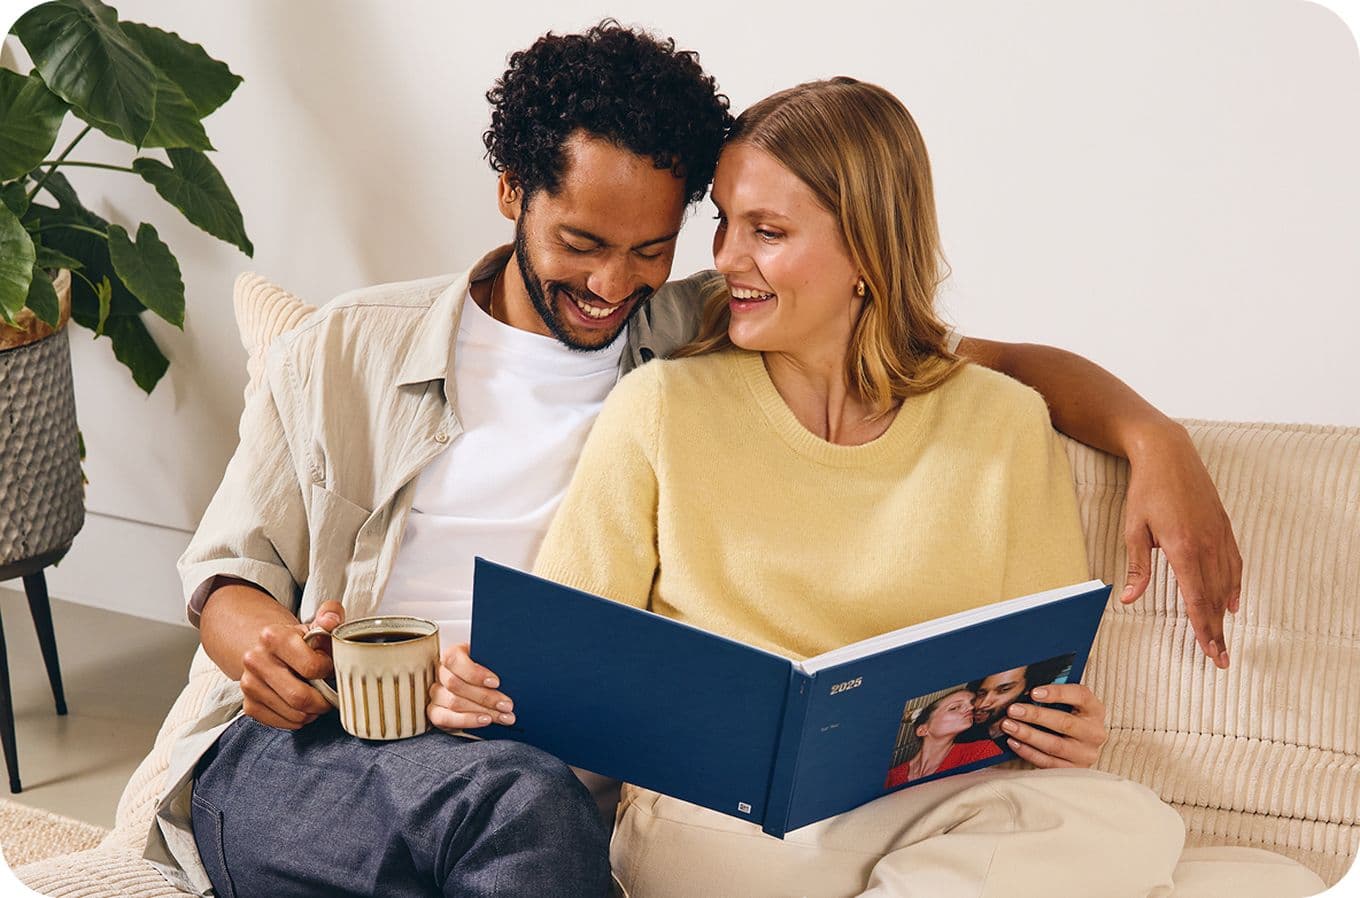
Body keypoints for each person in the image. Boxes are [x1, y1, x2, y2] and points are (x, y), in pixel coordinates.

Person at [154, 23, 1245, 898]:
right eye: (581, 242)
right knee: (519, 815)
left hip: (521, 755)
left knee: (527, 811)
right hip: (334, 732)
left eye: (651, 247)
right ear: (510, 194)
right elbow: (224, 570)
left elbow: (943, 359)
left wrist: (1152, 436)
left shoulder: (700, 324)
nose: (612, 286)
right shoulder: (349, 345)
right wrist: (282, 650)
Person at [433, 75, 1318, 897]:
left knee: (1125, 816)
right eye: (725, 224)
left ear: (867, 251)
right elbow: (558, 663)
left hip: (921, 815)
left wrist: (1060, 732)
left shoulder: (1003, 424)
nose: (727, 259)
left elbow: (1029, 686)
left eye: (768, 232)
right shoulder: (662, 407)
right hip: (719, 827)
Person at [884, 688, 1003, 788]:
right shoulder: (891, 777)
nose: (971, 708)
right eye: (954, 707)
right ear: (923, 730)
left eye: (971, 705)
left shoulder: (981, 752)